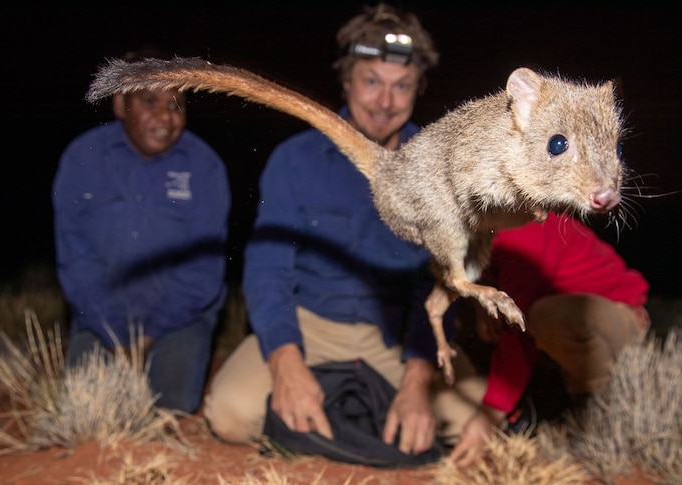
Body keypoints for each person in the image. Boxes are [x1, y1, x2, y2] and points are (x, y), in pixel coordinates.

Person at [203, 3, 481, 457]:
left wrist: (417, 381)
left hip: (399, 334)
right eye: (371, 81)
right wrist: (286, 361)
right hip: (310, 322)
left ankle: (349, 416)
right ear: (346, 79)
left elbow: (444, 284)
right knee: (231, 415)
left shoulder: (444, 168)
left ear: (418, 90)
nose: (385, 102)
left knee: (471, 420)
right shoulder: (294, 159)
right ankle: (338, 411)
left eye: (401, 87)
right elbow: (268, 270)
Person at [52, 48, 231, 414]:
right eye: (149, 101)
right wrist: (114, 335)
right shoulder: (81, 157)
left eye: (176, 103)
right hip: (101, 316)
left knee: (170, 409)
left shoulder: (205, 167)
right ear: (120, 104)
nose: (165, 116)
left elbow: (202, 273)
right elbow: (75, 258)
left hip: (179, 317)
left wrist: (148, 338)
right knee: (85, 410)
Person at [448, 212, 651, 467]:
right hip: (556, 316)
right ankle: (538, 404)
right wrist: (481, 303)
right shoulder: (479, 230)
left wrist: (489, 415)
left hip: (616, 314)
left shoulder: (523, 227)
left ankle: (594, 411)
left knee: (543, 317)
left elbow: (518, 330)